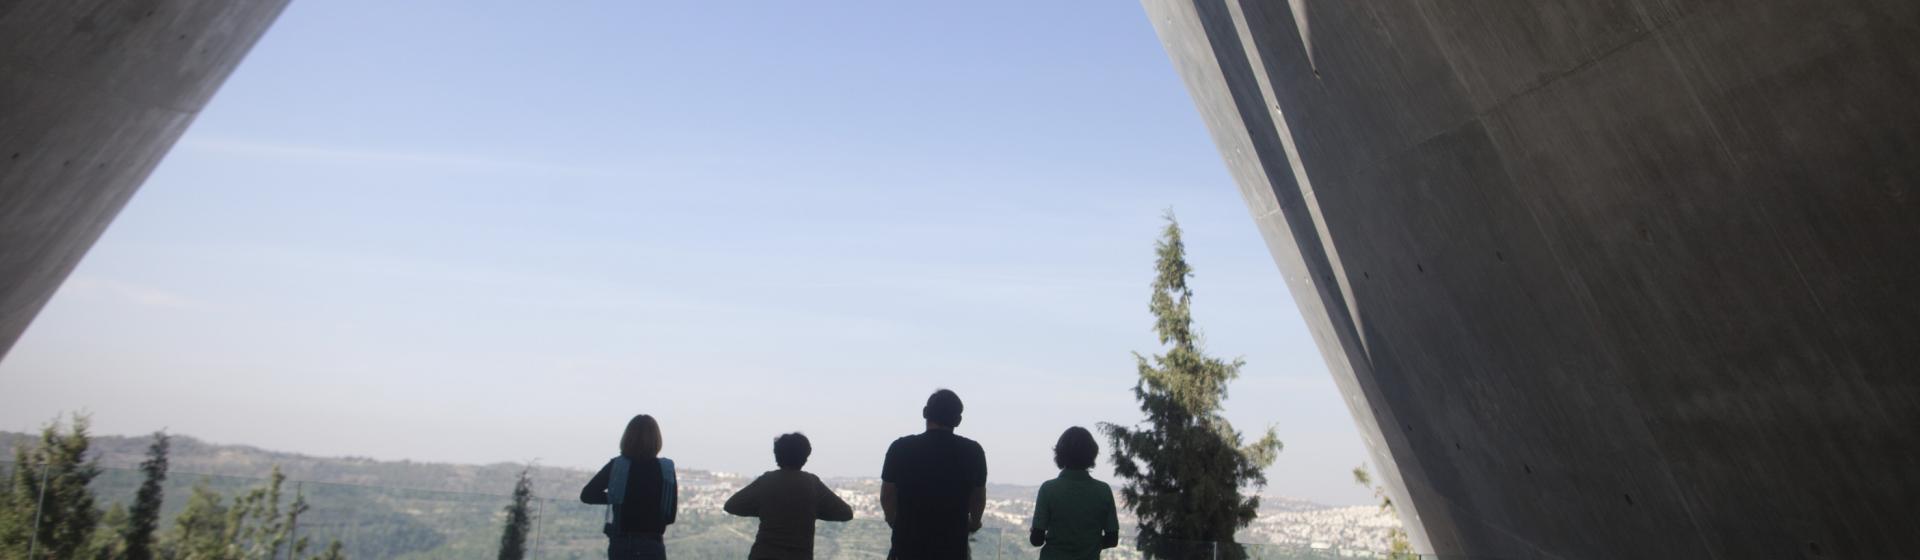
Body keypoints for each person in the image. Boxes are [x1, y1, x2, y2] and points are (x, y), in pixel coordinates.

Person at [881, 389, 988, 560]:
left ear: (925, 413)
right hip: (952, 548)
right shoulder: (973, 452)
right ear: (958, 420)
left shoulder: (900, 448)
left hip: (906, 547)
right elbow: (978, 499)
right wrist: (974, 523)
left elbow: (887, 496)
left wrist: (895, 523)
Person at [724, 432, 856, 560]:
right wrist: (811, 511)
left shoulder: (767, 480)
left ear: (777, 455)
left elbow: (731, 506)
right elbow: (845, 513)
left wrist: (765, 509)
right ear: (805, 456)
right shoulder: (812, 484)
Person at [582, 414, 679, 559]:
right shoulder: (666, 469)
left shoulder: (617, 466)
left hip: (622, 544)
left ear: (628, 438)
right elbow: (669, 516)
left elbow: (587, 495)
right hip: (653, 544)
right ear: (656, 440)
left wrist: (616, 496)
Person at [1028, 427, 1119, 560]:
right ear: (1092, 454)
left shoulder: (1048, 489)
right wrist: (1090, 544)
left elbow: (1036, 540)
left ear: (1060, 454)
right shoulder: (1103, 491)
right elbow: (1112, 539)